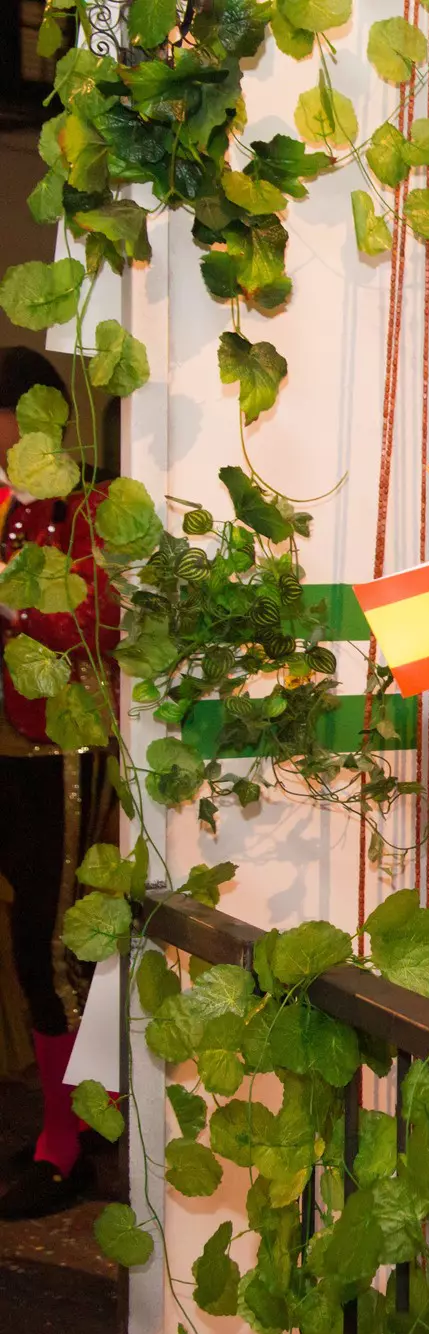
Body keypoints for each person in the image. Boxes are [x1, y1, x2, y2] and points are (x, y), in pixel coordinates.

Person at [0, 348, 117, 1220]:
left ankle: (71, 1140)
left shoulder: (91, 505)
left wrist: (9, 604)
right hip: (12, 745)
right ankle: (70, 1117)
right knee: (30, 939)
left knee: (54, 945)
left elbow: (95, 622)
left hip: (61, 748)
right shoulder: (14, 507)